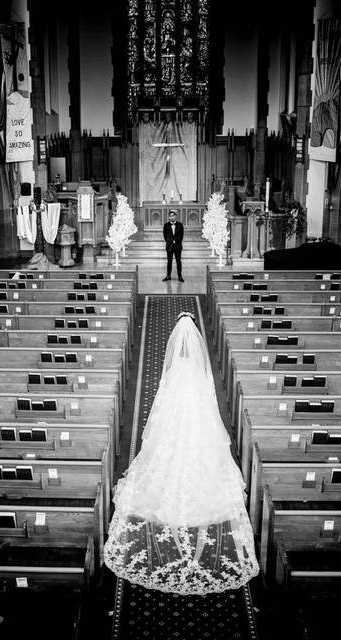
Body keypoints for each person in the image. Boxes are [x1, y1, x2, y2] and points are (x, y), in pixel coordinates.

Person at [104, 312, 259, 595]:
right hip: (199, 419)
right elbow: (209, 398)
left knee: (169, 446)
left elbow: (162, 397)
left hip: (174, 421)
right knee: (202, 446)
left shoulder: (174, 368)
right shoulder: (199, 368)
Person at [163, 211, 184, 282]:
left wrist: (177, 242)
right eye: (170, 216)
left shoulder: (180, 225)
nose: (172, 217)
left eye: (173, 215)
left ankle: (180, 276)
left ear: (175, 216)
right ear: (169, 217)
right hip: (169, 246)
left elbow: (181, 236)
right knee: (169, 261)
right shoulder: (166, 225)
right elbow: (165, 236)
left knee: (178, 261)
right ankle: (168, 275)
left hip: (178, 246)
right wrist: (170, 242)